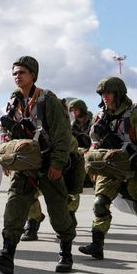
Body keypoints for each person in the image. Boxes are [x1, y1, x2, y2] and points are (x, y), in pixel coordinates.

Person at [0, 57, 76, 274]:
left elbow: (63, 135)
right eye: (14, 73)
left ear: (33, 75)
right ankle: (6, 256)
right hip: (23, 167)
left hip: (47, 164)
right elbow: (6, 134)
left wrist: (57, 163)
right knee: (13, 208)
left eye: (22, 72)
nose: (17, 76)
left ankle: (66, 254)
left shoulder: (48, 100)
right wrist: (5, 158)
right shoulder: (14, 102)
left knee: (59, 210)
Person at [78, 77, 137, 260]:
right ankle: (97, 244)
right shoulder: (100, 116)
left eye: (108, 93)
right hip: (110, 166)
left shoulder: (135, 115)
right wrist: (92, 167)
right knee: (100, 203)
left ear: (118, 94)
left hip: (135, 166)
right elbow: (94, 143)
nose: (105, 97)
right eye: (102, 94)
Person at [20, 97, 88, 241]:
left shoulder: (67, 133)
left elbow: (72, 155)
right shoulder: (32, 126)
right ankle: (33, 222)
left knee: (66, 198)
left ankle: (69, 216)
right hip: (36, 165)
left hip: (62, 168)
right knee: (27, 195)